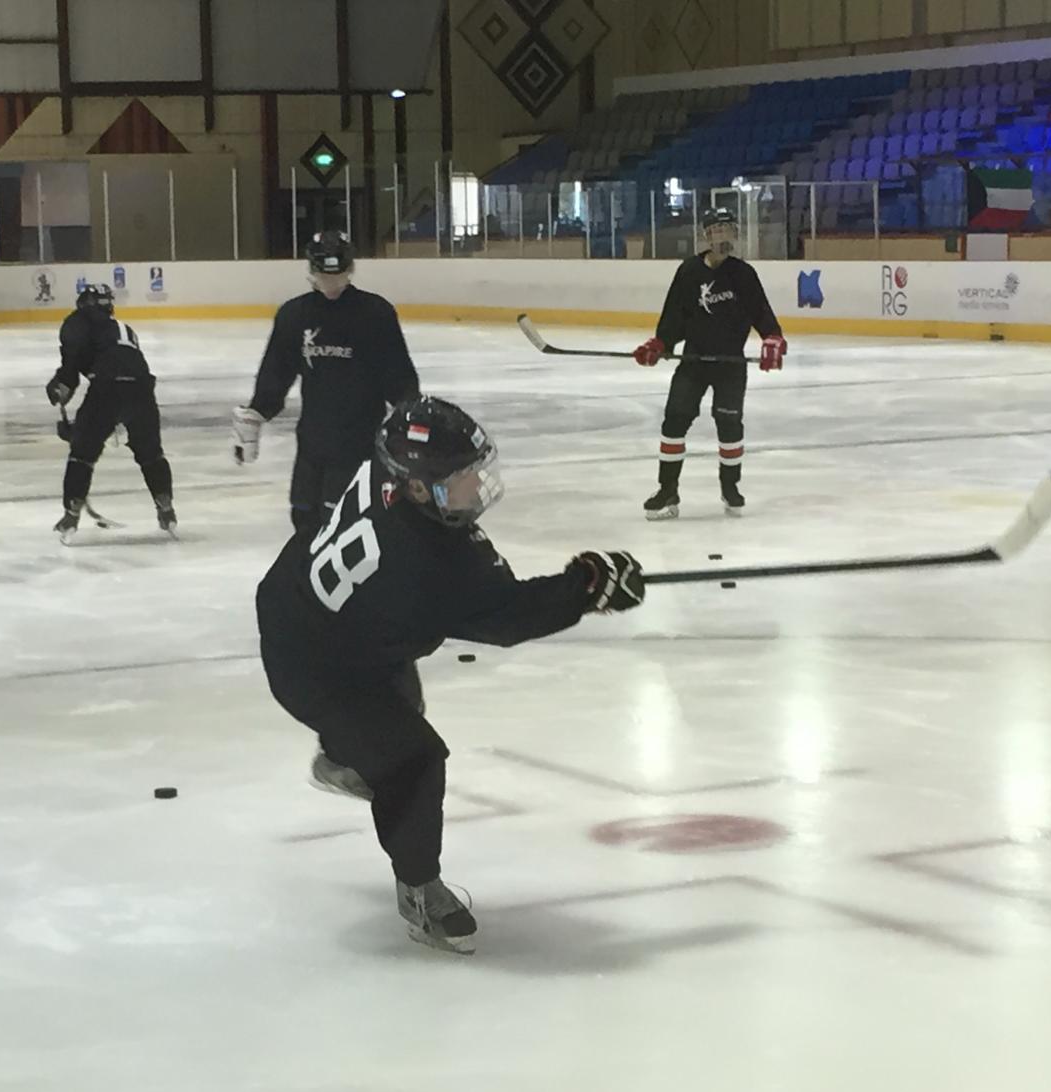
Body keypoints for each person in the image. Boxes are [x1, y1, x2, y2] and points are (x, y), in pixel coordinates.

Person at [255, 396, 646, 955]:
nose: (475, 486)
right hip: (319, 668)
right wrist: (587, 587)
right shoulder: (429, 564)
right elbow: (507, 616)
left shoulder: (384, 474)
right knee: (414, 760)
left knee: (398, 710)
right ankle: (419, 888)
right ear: (417, 488)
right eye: (460, 479)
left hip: (300, 604)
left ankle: (343, 754)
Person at [233, 232, 420, 536]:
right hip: (312, 443)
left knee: (346, 525)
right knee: (305, 521)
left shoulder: (375, 314)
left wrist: (410, 418)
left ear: (350, 269)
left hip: (360, 444)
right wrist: (256, 414)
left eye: (337, 274)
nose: (330, 281)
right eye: (324, 274)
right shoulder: (295, 315)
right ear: (311, 271)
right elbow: (276, 371)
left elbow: (398, 375)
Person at [636, 206, 787, 521]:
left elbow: (762, 313)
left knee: (729, 424)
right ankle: (667, 490)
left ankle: (730, 487)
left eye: (728, 230)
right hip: (693, 361)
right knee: (674, 420)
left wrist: (773, 338)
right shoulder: (688, 272)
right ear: (706, 236)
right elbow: (674, 316)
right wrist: (660, 343)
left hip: (730, 364)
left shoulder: (743, 274)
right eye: (717, 231)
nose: (723, 236)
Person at [47, 281, 175, 541]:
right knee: (151, 453)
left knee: (82, 455)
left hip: (106, 388)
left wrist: (60, 388)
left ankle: (72, 513)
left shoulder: (77, 321)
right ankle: (166, 507)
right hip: (142, 389)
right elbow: (125, 366)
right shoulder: (124, 329)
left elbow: (72, 368)